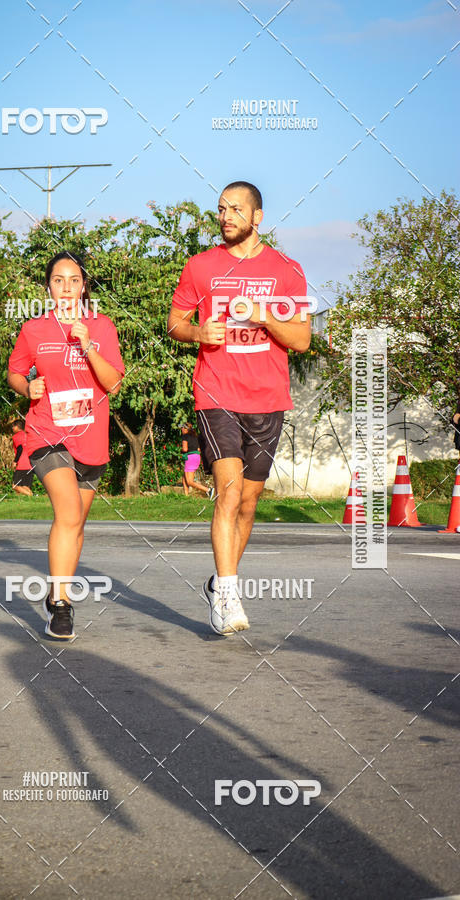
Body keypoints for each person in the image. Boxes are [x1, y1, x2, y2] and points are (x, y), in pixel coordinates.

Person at [167, 180, 311, 635]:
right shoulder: (200, 267)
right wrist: (197, 334)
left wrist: (266, 314)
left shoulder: (287, 269)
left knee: (249, 501)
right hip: (216, 394)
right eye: (221, 208)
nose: (225, 216)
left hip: (268, 398)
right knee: (228, 491)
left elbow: (302, 340)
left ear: (257, 217)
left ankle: (217, 582)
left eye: (235, 209)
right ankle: (228, 594)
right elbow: (175, 323)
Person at [8, 251, 124, 640]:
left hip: (91, 437)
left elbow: (113, 383)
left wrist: (88, 345)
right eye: (59, 280)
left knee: (74, 525)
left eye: (74, 280)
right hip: (46, 432)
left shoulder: (102, 327)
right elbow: (14, 371)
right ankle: (61, 604)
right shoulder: (34, 329)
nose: (67, 287)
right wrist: (28, 386)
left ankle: (58, 592)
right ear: (49, 287)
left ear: (84, 286)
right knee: (69, 512)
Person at [181, 423, 215, 498]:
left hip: (190, 458)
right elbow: (199, 448)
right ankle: (185, 496)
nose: (181, 430)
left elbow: (185, 449)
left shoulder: (185, 436)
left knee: (189, 481)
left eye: (182, 428)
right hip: (197, 457)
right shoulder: (195, 437)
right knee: (184, 477)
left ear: (185, 429)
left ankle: (208, 490)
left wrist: (181, 451)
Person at [11, 420, 34, 496]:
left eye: (13, 426)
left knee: (15, 485)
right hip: (30, 463)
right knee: (25, 486)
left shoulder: (16, 436)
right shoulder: (27, 435)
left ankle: (30, 495)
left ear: (17, 426)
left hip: (22, 464)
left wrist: (15, 461)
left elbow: (20, 449)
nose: (12, 428)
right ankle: (31, 497)